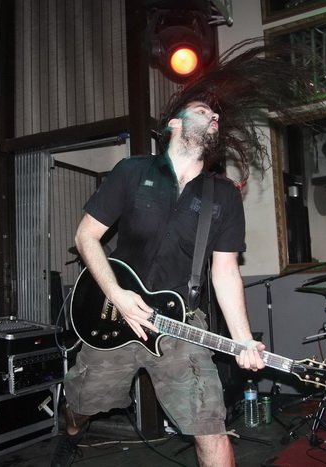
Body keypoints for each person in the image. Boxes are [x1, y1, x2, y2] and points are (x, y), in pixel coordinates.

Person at [52, 100, 266, 467]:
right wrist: (117, 295)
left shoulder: (224, 195)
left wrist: (243, 339)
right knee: (83, 403)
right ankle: (71, 432)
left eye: (216, 116)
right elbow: (86, 236)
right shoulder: (132, 172)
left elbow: (226, 270)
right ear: (174, 124)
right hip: (112, 315)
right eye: (203, 111)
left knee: (209, 425)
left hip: (179, 324)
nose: (214, 117)